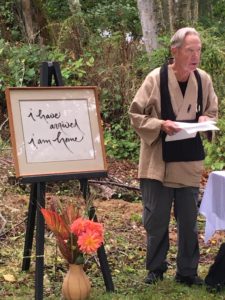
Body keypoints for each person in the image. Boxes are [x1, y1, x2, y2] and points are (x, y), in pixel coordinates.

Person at [128, 27, 218, 286]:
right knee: (156, 220)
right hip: (158, 162)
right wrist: (159, 125)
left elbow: (212, 112)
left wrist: (205, 119)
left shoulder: (203, 80)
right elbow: (135, 114)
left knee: (189, 222)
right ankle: (155, 269)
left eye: (198, 50)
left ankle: (187, 272)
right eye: (190, 50)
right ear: (175, 51)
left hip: (188, 161)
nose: (195, 56)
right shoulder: (155, 79)